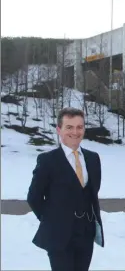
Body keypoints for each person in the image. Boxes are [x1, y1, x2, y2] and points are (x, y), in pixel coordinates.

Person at [27, 107, 104, 271]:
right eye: (69, 127)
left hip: (85, 234)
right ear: (59, 130)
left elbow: (92, 192)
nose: (75, 132)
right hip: (59, 236)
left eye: (79, 127)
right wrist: (53, 221)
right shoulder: (48, 161)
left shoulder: (93, 158)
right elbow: (34, 197)